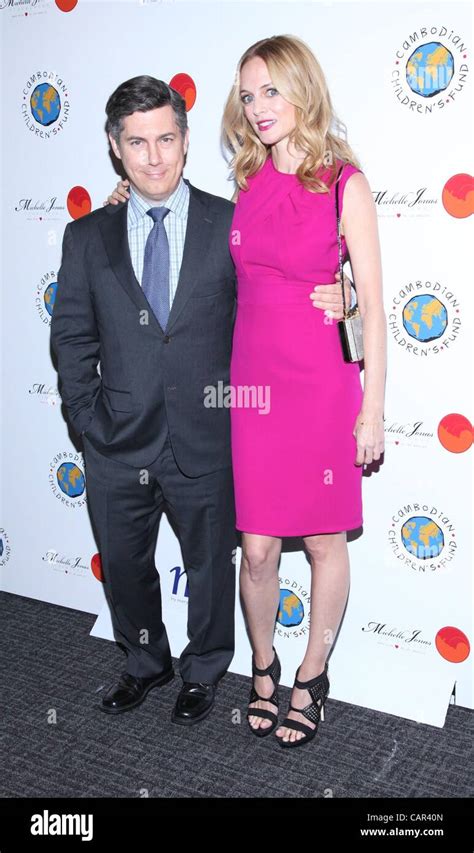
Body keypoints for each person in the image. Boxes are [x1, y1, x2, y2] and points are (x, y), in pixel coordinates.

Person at [94, 76, 350, 729]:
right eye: (138, 143)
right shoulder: (101, 230)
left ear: (184, 142)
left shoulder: (237, 213)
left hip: (240, 415)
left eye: (167, 139)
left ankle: (243, 671)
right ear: (117, 149)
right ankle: (173, 664)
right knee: (161, 561)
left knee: (236, 557)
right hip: (146, 428)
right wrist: (84, 416)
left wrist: (345, 296)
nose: (154, 156)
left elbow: (295, 271)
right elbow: (74, 333)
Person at [221, 35, 386, 748]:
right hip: (253, 386)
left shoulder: (344, 181)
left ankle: (312, 673)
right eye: (250, 94)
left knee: (322, 539)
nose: (259, 107)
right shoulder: (247, 178)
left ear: (303, 91)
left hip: (319, 384)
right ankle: (262, 662)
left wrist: (371, 407)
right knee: (256, 549)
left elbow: (374, 303)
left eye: (272, 91)